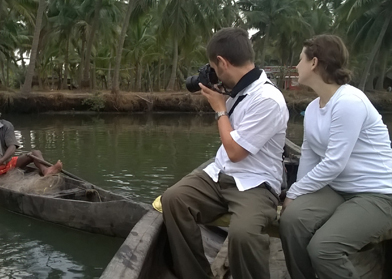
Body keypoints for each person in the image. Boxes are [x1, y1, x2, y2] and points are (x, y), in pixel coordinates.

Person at [161, 27, 289, 279]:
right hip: (219, 175)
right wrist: (222, 98)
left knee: (244, 234)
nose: (212, 72)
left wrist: (220, 109)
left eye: (213, 66)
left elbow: (235, 152)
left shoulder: (267, 99)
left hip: (255, 183)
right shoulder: (237, 91)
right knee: (173, 199)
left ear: (222, 62)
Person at [279, 35, 392, 279]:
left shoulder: (348, 101)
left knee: (324, 249)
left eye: (300, 60)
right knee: (291, 221)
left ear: (314, 63)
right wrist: (299, 194)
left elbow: (334, 162)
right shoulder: (312, 109)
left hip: (377, 194)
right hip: (337, 189)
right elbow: (309, 154)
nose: (296, 66)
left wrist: (295, 192)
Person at [0, 97, 63, 177]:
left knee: (35, 153)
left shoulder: (6, 126)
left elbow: (12, 146)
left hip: (7, 164)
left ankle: (46, 170)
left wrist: (1, 161)